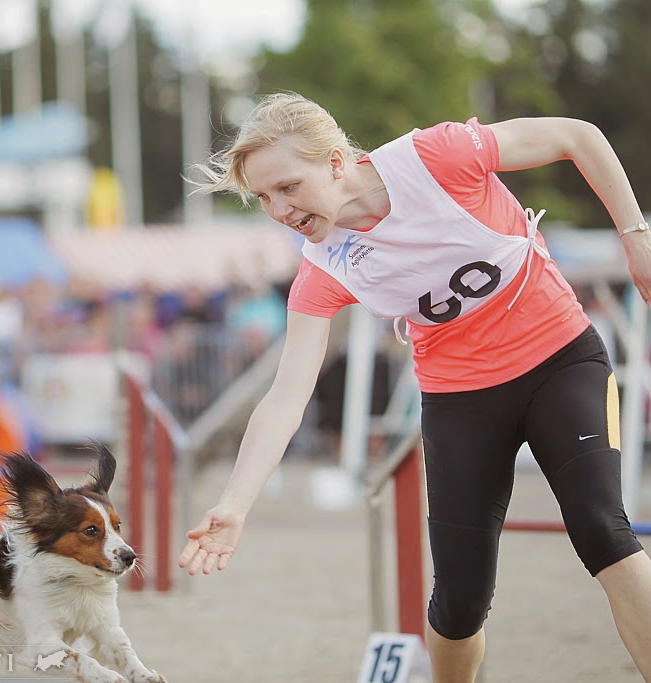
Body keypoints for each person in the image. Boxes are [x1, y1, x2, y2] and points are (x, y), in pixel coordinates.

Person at [177, 92, 651, 683]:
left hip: (561, 361)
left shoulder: (438, 156)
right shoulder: (323, 267)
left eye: (288, 187)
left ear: (335, 162)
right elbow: (285, 398)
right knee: (459, 602)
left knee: (601, 529)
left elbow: (577, 134)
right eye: (264, 197)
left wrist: (635, 236)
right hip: (461, 401)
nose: (279, 209)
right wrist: (234, 503)